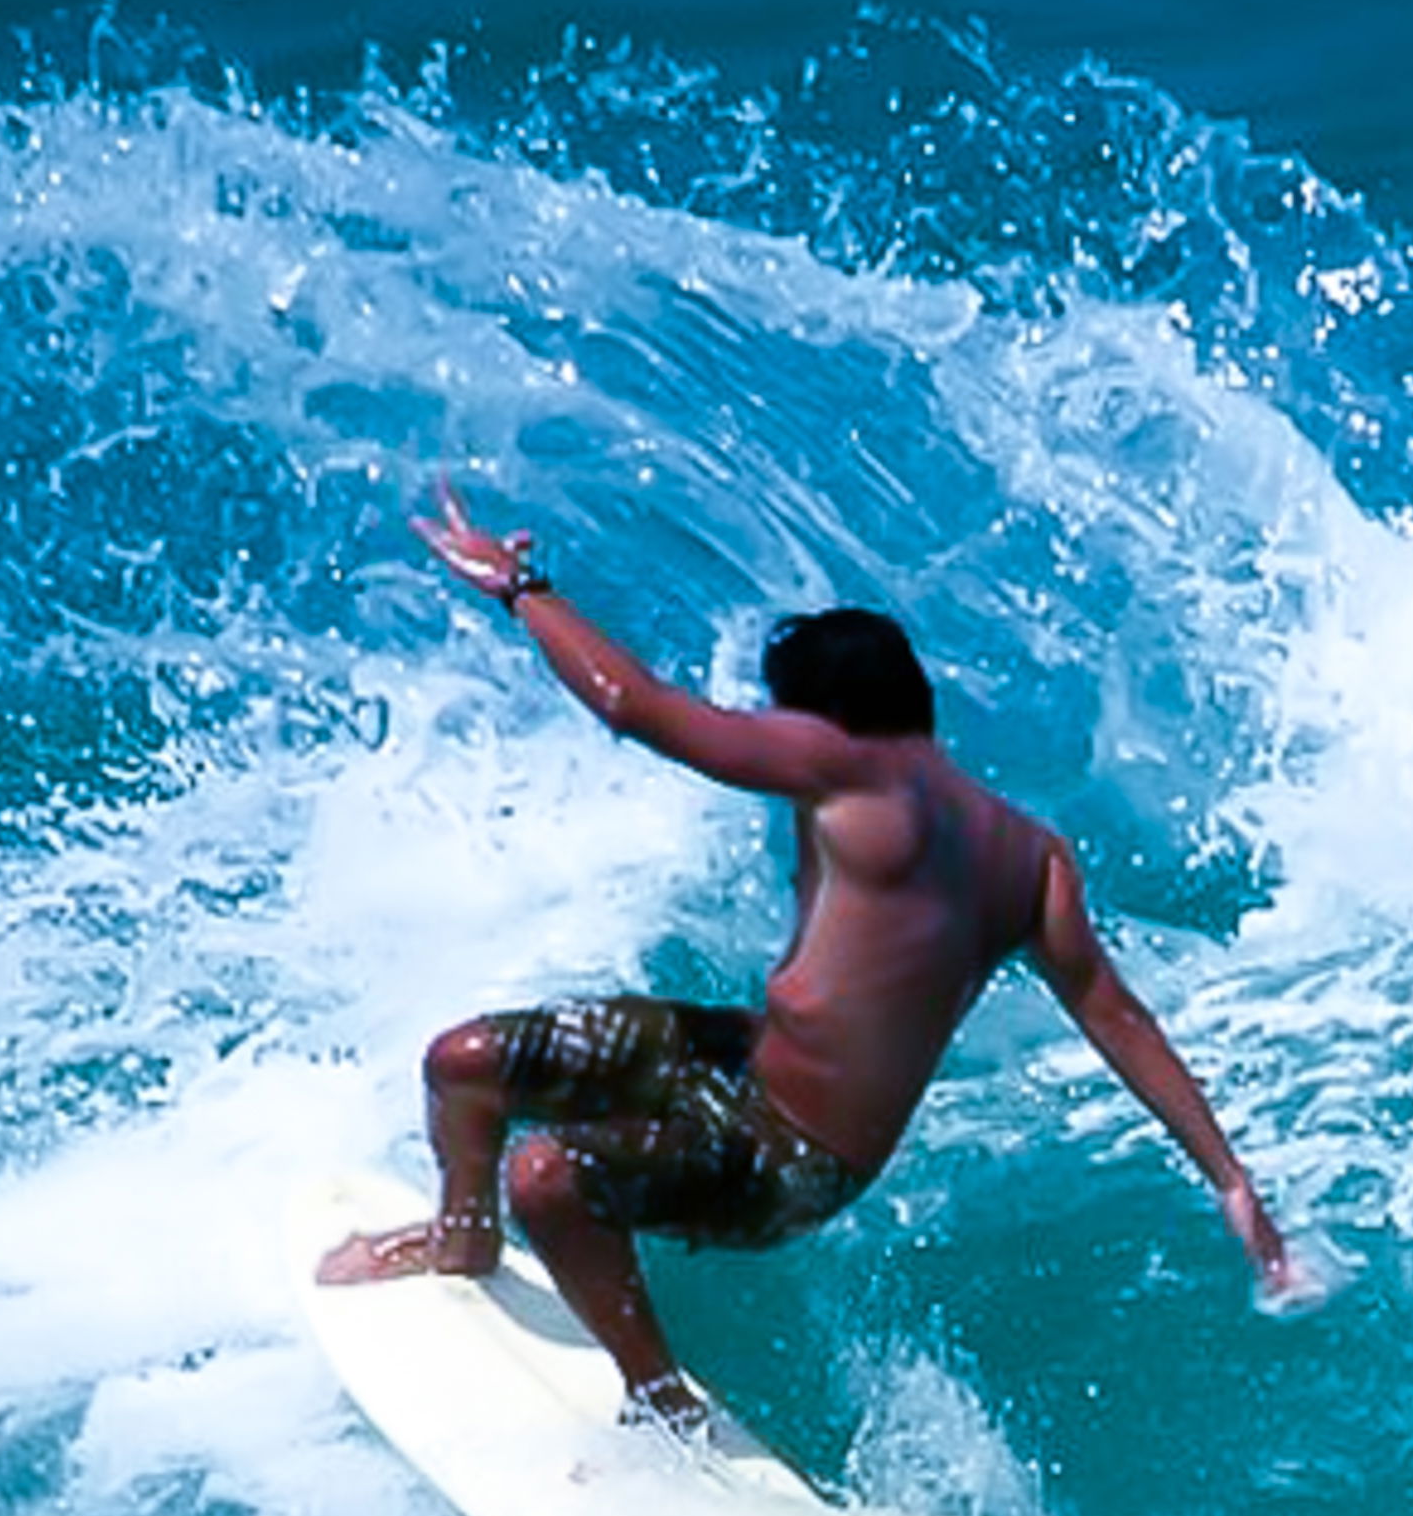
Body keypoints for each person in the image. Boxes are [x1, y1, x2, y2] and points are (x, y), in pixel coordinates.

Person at [319, 480, 1315, 1430]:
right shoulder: (1034, 854)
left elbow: (630, 704)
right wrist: (1229, 1177)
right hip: (743, 1060)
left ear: (812, 716)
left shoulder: (841, 762)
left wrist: (521, 589)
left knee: (548, 1174)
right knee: (464, 1061)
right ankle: (463, 1239)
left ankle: (662, 1402)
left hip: (794, 1157)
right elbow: (1119, 1020)